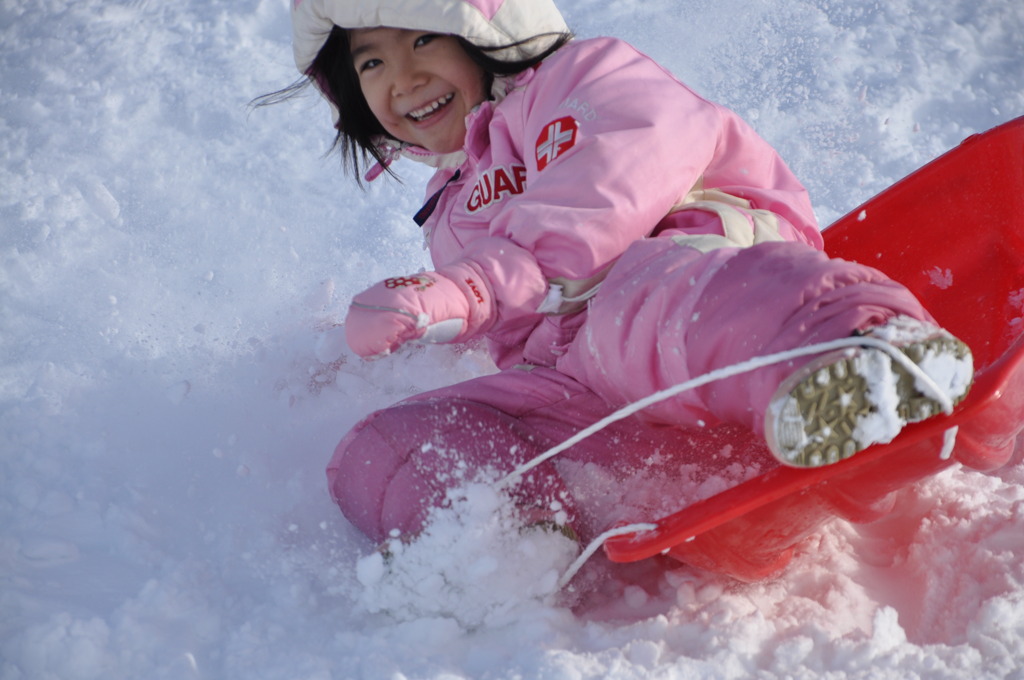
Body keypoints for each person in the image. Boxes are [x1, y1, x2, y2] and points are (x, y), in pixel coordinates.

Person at [276, 0, 973, 546]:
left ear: (482, 30)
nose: (404, 78)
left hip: (686, 273)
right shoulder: (450, 210)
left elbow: (608, 184)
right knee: (390, 439)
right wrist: (386, 347)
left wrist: (472, 287)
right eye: (371, 64)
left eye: (423, 39)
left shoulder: (580, 78)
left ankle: (860, 350)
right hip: (587, 376)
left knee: (648, 306)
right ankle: (500, 532)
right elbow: (505, 314)